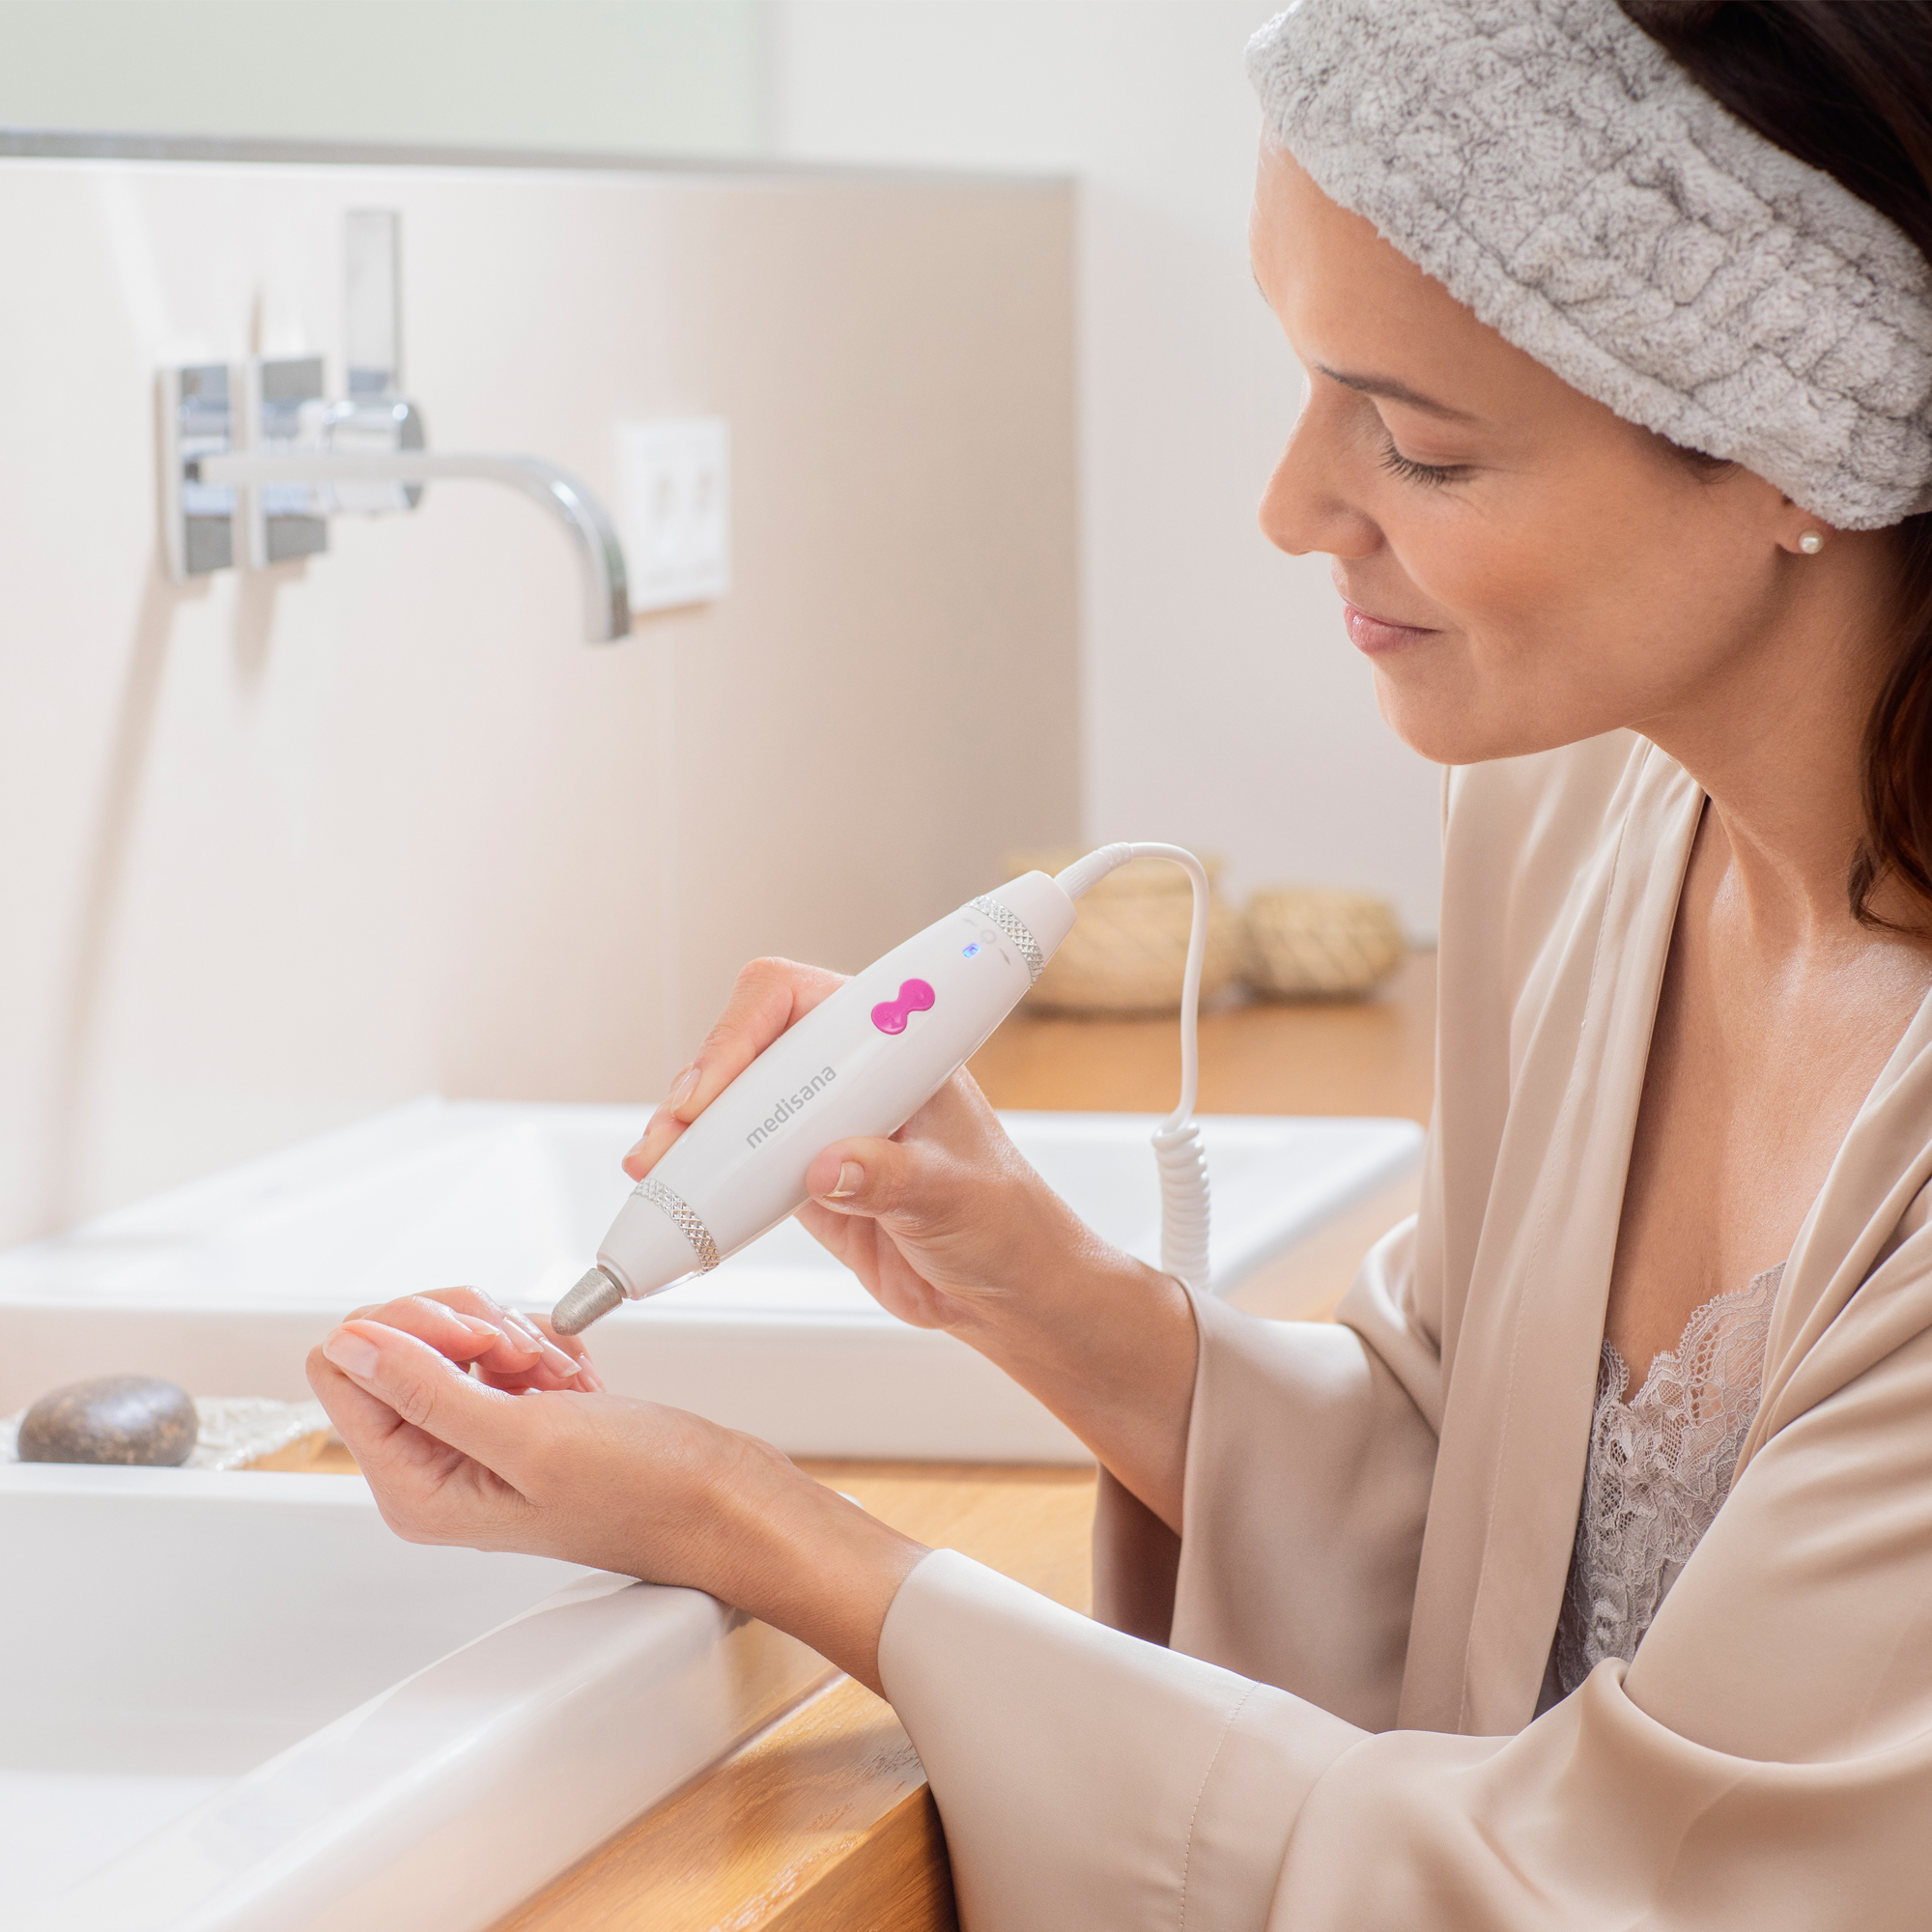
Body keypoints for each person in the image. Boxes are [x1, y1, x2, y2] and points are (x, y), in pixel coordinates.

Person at [308, 1, 1932, 1923]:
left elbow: (1613, 1885)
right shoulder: (1576, 821)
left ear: (1792, 446)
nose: (1289, 509)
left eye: (1413, 443)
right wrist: (1036, 1284)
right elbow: (1495, 1540)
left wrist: (754, 1528)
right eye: (1311, 386)